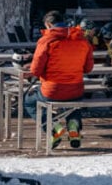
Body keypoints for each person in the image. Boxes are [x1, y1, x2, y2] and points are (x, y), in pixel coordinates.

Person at [23, 10, 94, 149]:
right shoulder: (81, 39)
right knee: (73, 103)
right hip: (76, 89)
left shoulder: (46, 40)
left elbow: (36, 70)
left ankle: (54, 128)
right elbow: (88, 68)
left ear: (49, 24)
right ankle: (74, 129)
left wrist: (31, 68)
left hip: (52, 90)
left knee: (29, 102)